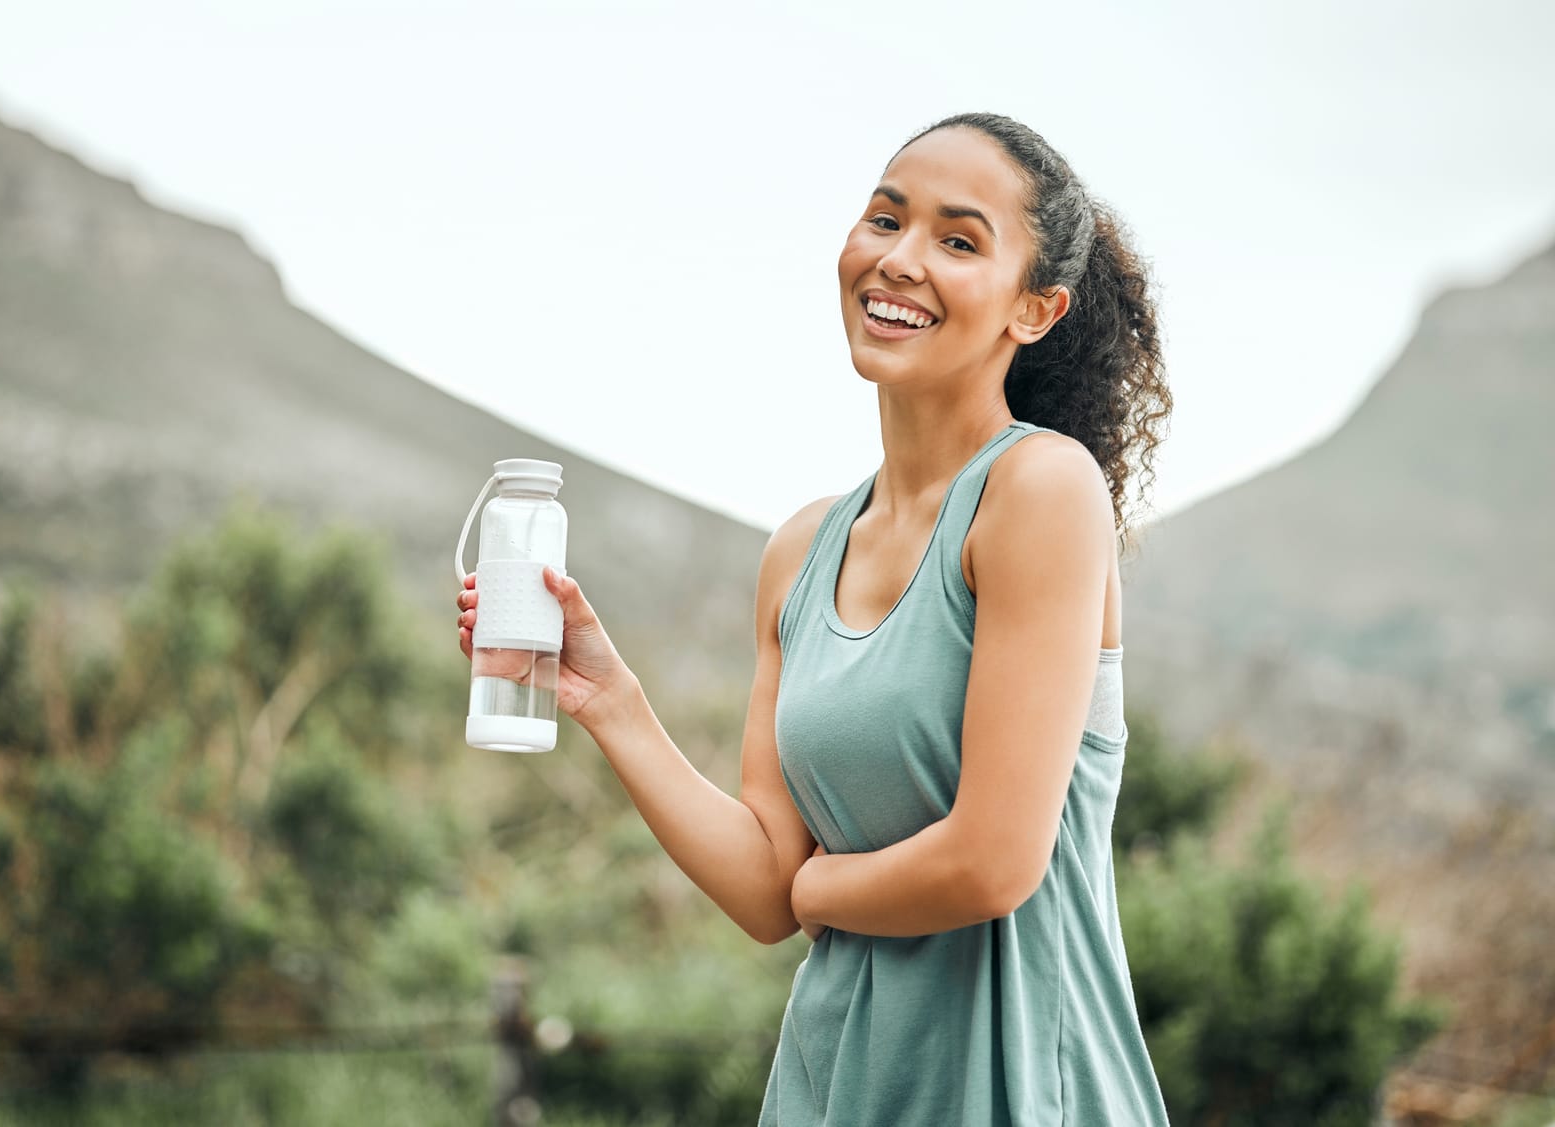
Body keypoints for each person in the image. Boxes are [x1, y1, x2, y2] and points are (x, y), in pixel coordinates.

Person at [455, 111, 1173, 1126]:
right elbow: (762, 883)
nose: (900, 259)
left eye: (958, 240)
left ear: (1036, 308)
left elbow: (991, 860)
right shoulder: (800, 549)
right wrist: (608, 698)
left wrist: (820, 894)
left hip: (1016, 1089)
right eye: (885, 219)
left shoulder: (1043, 490)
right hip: (837, 1082)